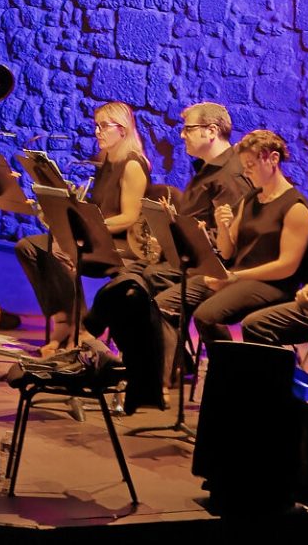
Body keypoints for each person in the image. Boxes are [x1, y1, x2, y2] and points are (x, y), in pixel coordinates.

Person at [86, 102, 251, 411]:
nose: (182, 135)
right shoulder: (207, 170)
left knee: (140, 288)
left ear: (211, 131)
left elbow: (230, 242)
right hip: (185, 257)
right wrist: (170, 224)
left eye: (188, 129)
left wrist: (182, 231)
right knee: (129, 281)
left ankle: (148, 381)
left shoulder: (229, 177)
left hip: (209, 266)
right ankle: (133, 368)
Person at [13, 100, 152, 355]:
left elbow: (129, 217)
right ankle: (64, 318)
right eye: (96, 126)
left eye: (103, 126)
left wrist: (89, 227)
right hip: (96, 236)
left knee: (63, 251)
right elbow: (98, 207)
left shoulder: (132, 164)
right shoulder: (107, 160)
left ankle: (81, 329)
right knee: (28, 247)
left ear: (122, 130)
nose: (97, 132)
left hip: (118, 244)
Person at [156, 129, 308, 348]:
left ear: (273, 159)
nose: (246, 172)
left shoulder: (296, 207)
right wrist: (223, 227)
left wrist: (235, 277)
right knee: (161, 305)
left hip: (272, 284)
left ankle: (230, 363)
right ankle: (178, 364)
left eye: (250, 165)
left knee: (206, 316)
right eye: (243, 166)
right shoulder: (251, 198)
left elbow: (286, 266)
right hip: (238, 275)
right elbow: (227, 251)